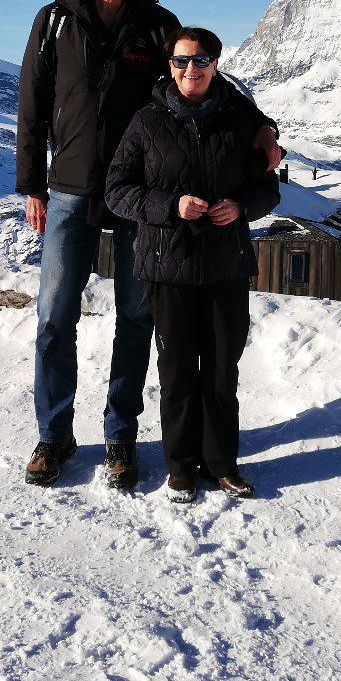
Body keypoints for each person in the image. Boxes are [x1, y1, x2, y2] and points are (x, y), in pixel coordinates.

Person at [17, 0, 280, 490]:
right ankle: (54, 435)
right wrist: (32, 185)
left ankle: (120, 436)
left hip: (143, 194)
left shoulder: (158, 24)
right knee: (55, 317)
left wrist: (263, 128)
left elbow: (206, 78)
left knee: (136, 319)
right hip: (69, 188)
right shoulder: (54, 20)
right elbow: (32, 107)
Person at [105, 27, 280, 503]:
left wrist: (242, 207)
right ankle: (181, 466)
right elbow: (117, 190)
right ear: (169, 67)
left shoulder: (239, 121)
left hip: (226, 265)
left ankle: (222, 463)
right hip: (168, 266)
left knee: (223, 371)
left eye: (201, 61)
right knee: (178, 371)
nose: (191, 70)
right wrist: (168, 206)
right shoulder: (147, 122)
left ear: (216, 65)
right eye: (182, 61)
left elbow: (269, 188)